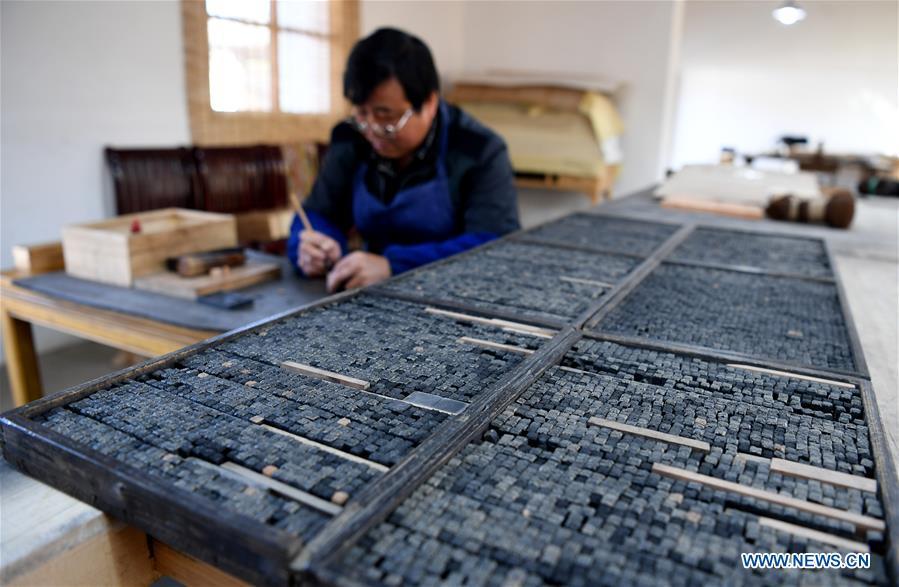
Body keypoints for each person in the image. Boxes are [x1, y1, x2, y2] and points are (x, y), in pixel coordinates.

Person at [287, 27, 520, 293]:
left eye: (386, 116)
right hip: (368, 292)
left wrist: (394, 266)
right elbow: (317, 212)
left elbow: (494, 246)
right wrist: (312, 247)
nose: (372, 130)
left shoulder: (479, 150)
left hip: (455, 297)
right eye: (361, 113)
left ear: (429, 103)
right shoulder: (352, 137)